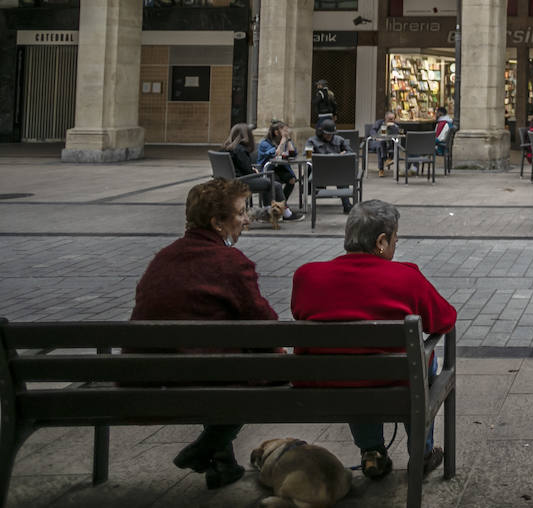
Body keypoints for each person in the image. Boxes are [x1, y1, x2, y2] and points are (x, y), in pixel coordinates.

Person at [291, 201, 454, 480]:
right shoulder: (406, 277)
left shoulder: (307, 276)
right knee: (422, 358)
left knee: (352, 363)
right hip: (395, 383)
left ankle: (371, 451)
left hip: (329, 383)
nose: (395, 246)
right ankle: (422, 453)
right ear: (381, 241)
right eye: (394, 241)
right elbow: (445, 320)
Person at [131, 178, 276, 490]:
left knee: (214, 361)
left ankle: (223, 464)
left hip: (148, 376)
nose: (247, 219)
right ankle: (205, 449)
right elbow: (265, 322)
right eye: (240, 212)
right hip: (203, 374)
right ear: (217, 223)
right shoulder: (230, 263)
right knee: (259, 370)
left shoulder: (164, 257)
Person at [222, 122, 282, 208]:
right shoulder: (240, 150)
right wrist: (254, 171)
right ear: (248, 136)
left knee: (267, 182)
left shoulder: (224, 148)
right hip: (241, 181)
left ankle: (268, 210)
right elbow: (248, 171)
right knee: (274, 184)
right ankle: (283, 213)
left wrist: (252, 169)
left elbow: (239, 166)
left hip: (227, 181)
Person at [255, 120, 302, 214]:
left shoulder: (285, 141)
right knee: (276, 183)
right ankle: (282, 208)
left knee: (292, 179)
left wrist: (288, 140)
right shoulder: (264, 143)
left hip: (281, 168)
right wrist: (282, 142)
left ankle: (281, 205)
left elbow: (293, 153)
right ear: (276, 132)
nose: (287, 132)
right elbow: (275, 155)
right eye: (285, 131)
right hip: (268, 169)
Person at [372, 110, 400, 175]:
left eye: (393, 119)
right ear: (386, 118)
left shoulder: (395, 125)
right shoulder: (379, 123)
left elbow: (398, 134)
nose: (391, 121)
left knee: (396, 142)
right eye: (390, 119)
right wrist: (376, 137)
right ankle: (381, 168)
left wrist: (394, 127)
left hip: (389, 143)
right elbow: (373, 131)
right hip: (377, 142)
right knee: (380, 144)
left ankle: (389, 159)